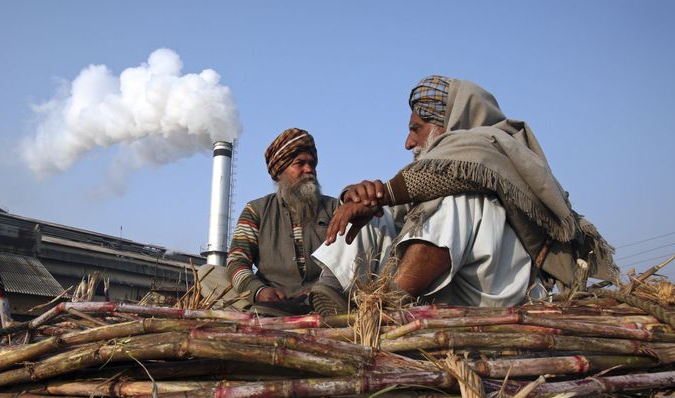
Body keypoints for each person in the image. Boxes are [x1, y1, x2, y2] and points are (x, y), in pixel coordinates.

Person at [310, 75, 616, 313]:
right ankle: (332, 289)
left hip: (493, 296)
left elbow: (445, 174)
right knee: (374, 214)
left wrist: (381, 193)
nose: (407, 142)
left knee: (459, 198)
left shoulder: (486, 147)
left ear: (447, 125)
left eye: (416, 128)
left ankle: (386, 304)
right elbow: (405, 191)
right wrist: (361, 198)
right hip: (446, 291)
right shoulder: (435, 175)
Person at [199, 128, 338, 315]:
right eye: (300, 164)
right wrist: (259, 291)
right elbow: (238, 259)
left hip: (320, 296)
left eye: (312, 164)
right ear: (279, 171)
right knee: (207, 274)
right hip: (273, 299)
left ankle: (288, 311)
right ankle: (262, 311)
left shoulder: (333, 208)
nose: (309, 170)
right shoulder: (256, 210)